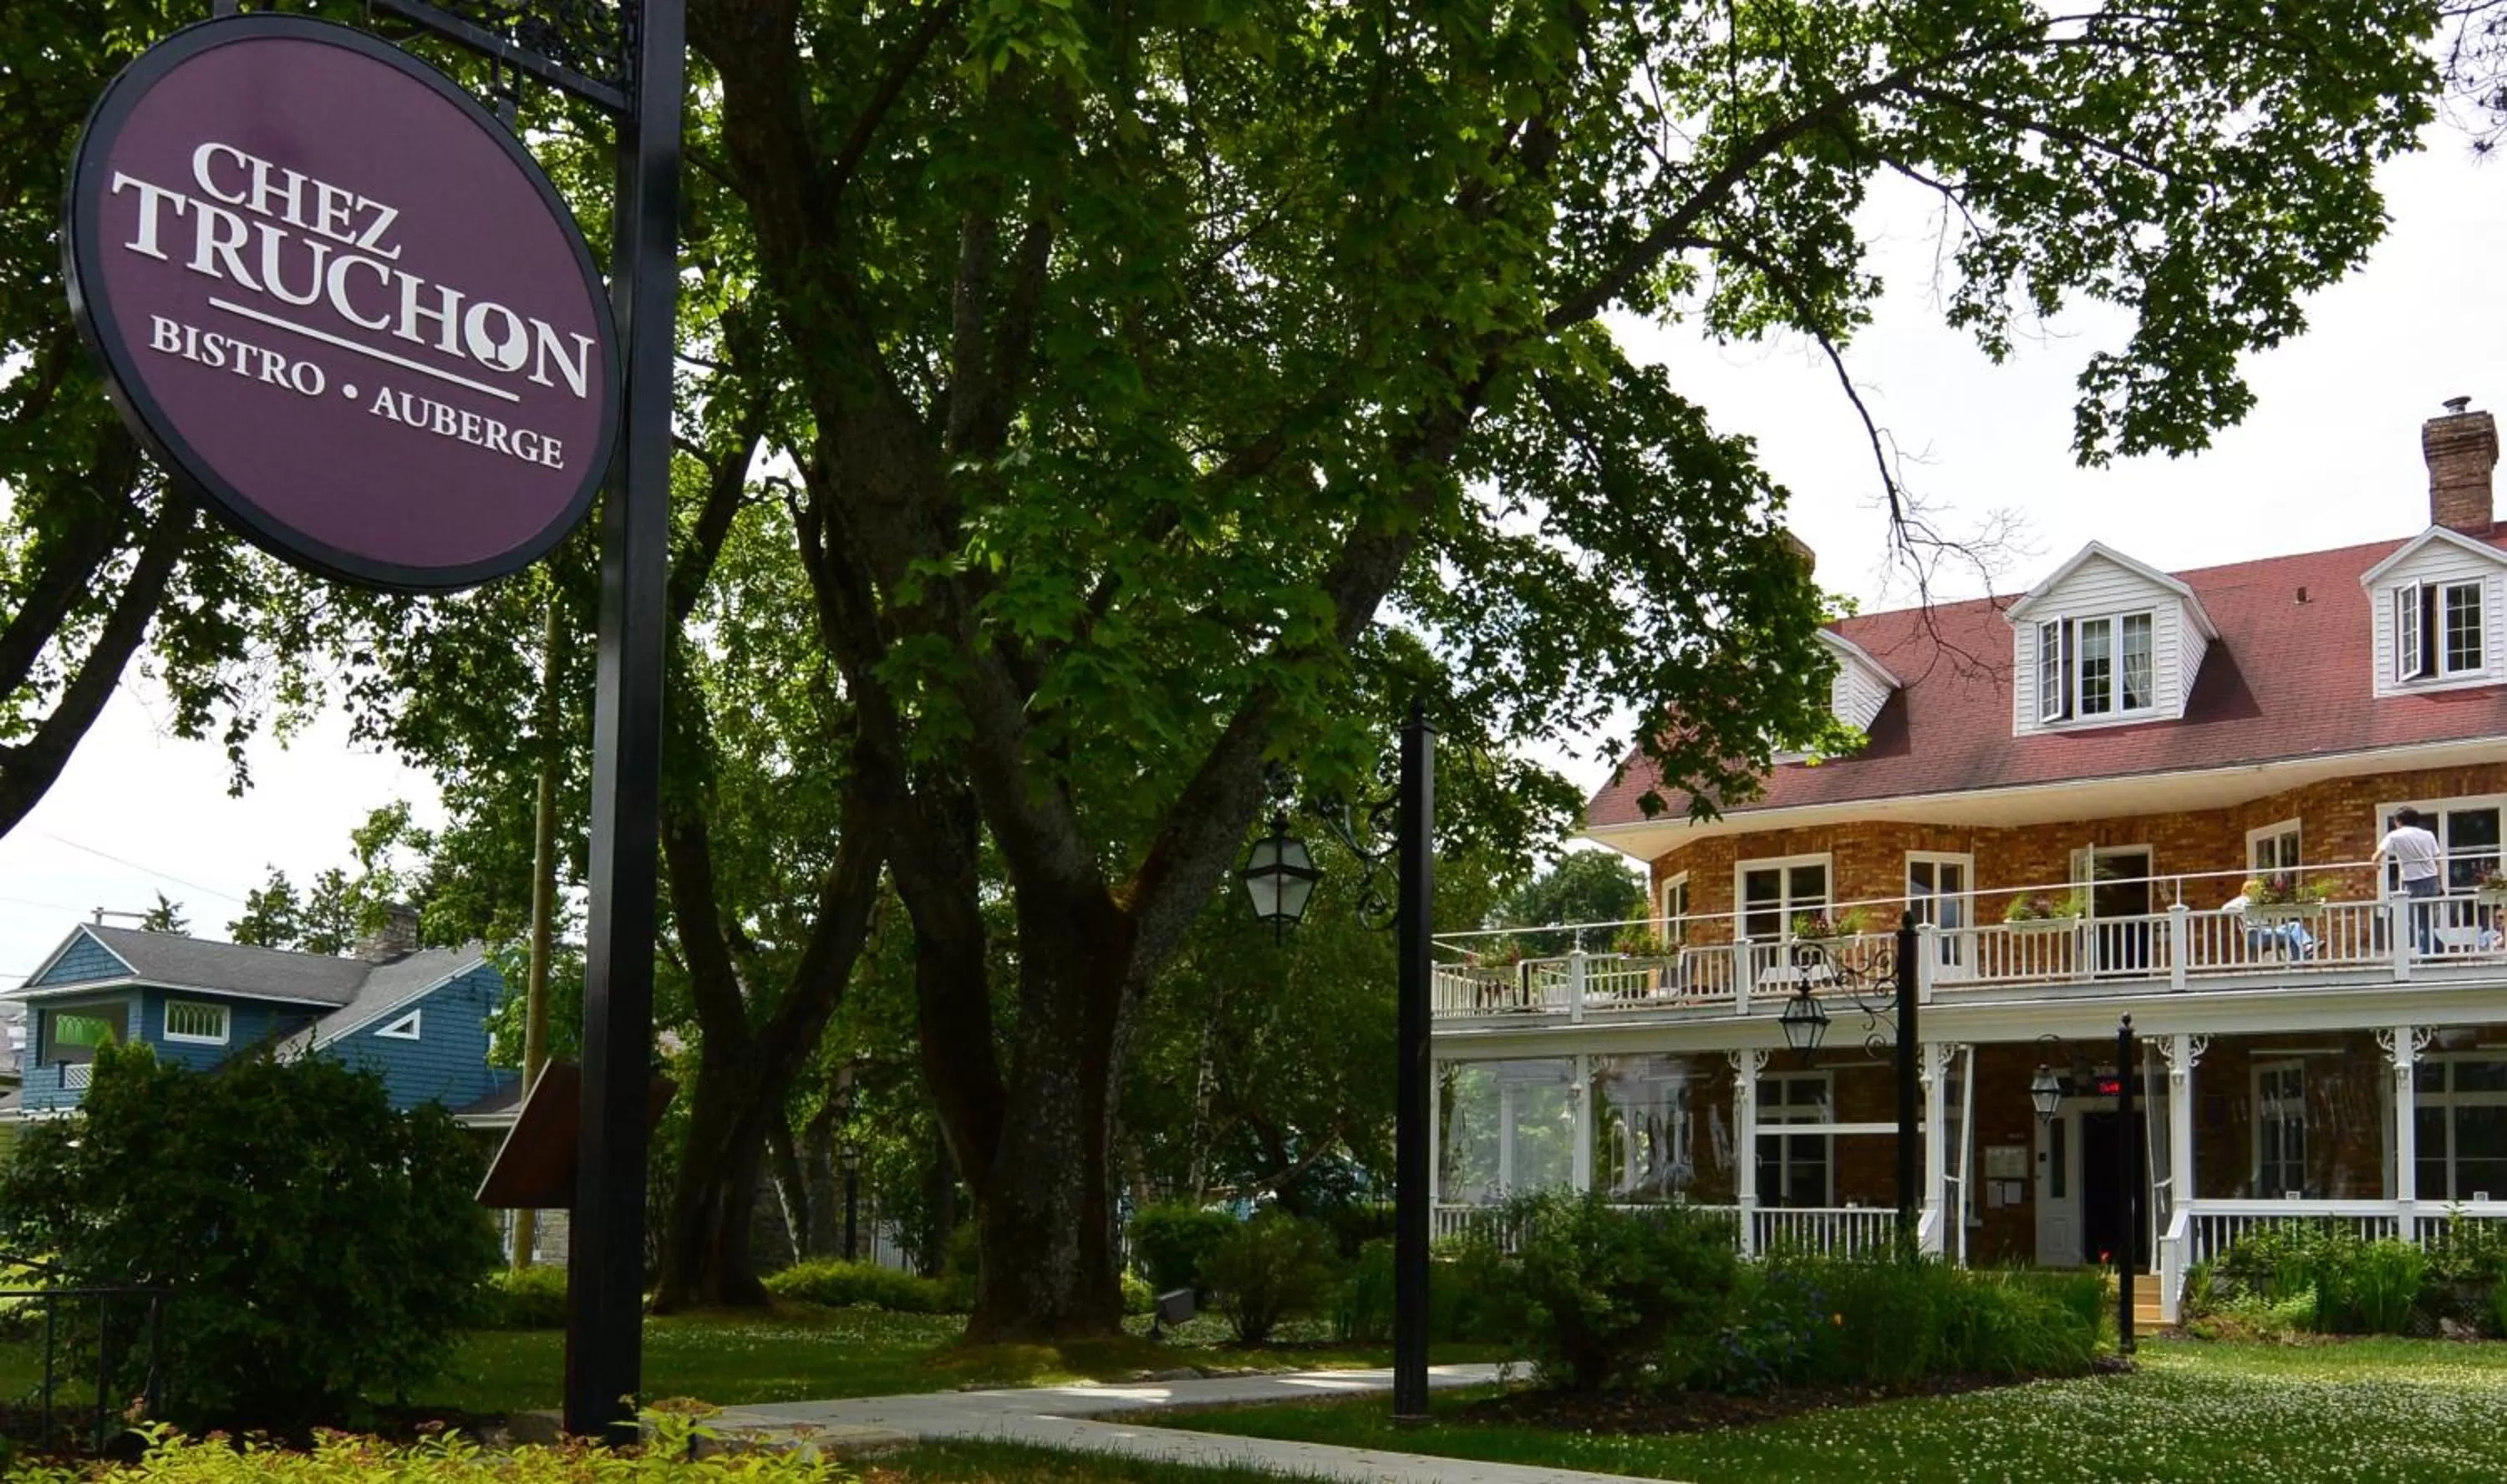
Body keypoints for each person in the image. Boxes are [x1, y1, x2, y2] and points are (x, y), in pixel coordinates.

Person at [2373, 807, 2444, 953]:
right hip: (2431, 880)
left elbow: (2377, 855)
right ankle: (2438, 949)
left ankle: (2428, 956)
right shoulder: (2428, 834)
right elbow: (2438, 860)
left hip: (2413, 882)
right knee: (2427, 920)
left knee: (2418, 922)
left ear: (2398, 821)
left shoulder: (2395, 836)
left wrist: (2377, 865)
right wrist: (2440, 883)